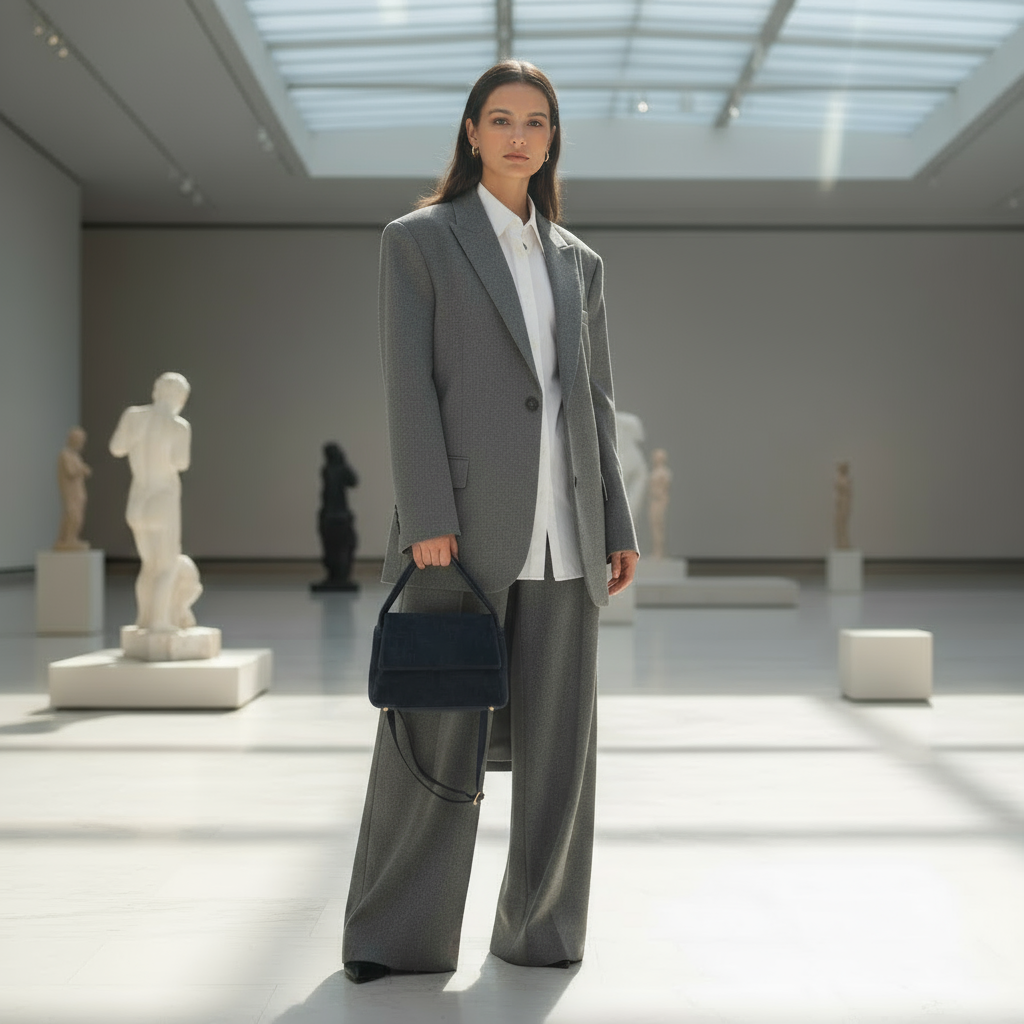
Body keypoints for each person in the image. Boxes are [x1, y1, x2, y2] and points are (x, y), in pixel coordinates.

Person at [342, 60, 639, 984]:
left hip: (569, 534)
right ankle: (396, 939)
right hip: (458, 534)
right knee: (433, 741)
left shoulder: (578, 261)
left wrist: (617, 523)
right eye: (501, 119)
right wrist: (426, 512)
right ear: (471, 132)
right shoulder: (419, 241)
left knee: (562, 751)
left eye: (537, 122)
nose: (519, 135)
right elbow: (409, 390)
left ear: (553, 140)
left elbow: (591, 402)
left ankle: (541, 932)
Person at [109, 372, 200, 632]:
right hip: (162, 499)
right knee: (166, 566)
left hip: (138, 499)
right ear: (180, 397)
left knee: (148, 566)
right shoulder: (178, 426)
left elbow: (117, 448)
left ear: (155, 392)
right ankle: (159, 622)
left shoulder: (133, 416)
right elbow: (181, 463)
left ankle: (144, 620)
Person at [54, 427, 92, 551]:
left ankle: (70, 539)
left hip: (78, 491)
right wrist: (82, 469)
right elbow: (70, 472)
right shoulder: (65, 455)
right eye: (79, 440)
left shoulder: (75, 456)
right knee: (72, 515)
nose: (81, 444)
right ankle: (67, 539)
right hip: (70, 492)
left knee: (76, 515)